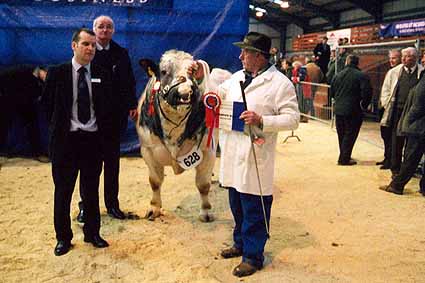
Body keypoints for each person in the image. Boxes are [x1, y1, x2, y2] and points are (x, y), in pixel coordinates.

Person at [217, 32, 299, 277]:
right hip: (233, 151)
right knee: (236, 202)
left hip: (256, 153)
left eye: (246, 52)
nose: (241, 56)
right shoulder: (237, 77)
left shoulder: (280, 83)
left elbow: (293, 118)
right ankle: (240, 242)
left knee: (255, 205)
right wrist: (200, 75)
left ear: (260, 56)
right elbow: (217, 93)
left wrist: (262, 119)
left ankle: (253, 256)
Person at [43, 28, 113, 256]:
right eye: (86, 44)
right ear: (74, 46)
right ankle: (63, 238)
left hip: (92, 141)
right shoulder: (57, 73)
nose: (91, 48)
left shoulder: (102, 72)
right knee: (63, 192)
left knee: (91, 191)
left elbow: (106, 109)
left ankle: (93, 233)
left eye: (93, 45)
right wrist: (58, 132)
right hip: (66, 142)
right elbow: (46, 107)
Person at [77, 15, 138, 222]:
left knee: (112, 165)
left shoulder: (121, 54)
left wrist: (132, 105)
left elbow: (129, 81)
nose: (104, 30)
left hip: (114, 120)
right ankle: (85, 206)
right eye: (100, 27)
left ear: (113, 31)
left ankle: (112, 204)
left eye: (108, 27)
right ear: (94, 29)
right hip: (90, 122)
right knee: (88, 167)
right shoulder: (87, 54)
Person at [380, 47, 424, 177]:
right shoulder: (394, 72)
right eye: (403, 56)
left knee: (411, 144)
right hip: (397, 111)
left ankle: (408, 169)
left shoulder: (422, 72)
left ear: (415, 58)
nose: (404, 59)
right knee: (396, 141)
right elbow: (386, 90)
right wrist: (386, 104)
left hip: (414, 113)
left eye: (408, 56)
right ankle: (395, 169)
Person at [379, 72, 425, 195]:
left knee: (410, 158)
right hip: (420, 125)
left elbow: (418, 105)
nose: (423, 60)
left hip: (419, 126)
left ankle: (397, 186)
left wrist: (407, 121)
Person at [0, 65, 49, 162]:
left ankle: (38, 153)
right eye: (46, 74)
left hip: (26, 104)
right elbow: (4, 78)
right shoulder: (24, 70)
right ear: (41, 71)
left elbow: (40, 96)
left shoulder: (43, 83)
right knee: (3, 127)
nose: (46, 77)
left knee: (33, 127)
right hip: (8, 101)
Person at [330, 55, 372, 165]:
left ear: (346, 63)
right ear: (357, 63)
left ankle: (344, 155)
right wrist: (364, 105)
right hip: (354, 110)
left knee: (342, 134)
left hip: (339, 110)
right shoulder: (362, 76)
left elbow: (332, 93)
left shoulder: (337, 75)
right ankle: (344, 159)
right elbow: (367, 93)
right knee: (350, 134)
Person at [376, 49, 401, 169]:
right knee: (385, 136)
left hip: (391, 110)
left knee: (391, 137)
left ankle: (390, 161)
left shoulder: (399, 72)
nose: (391, 60)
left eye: (394, 58)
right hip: (385, 108)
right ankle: (387, 158)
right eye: (390, 58)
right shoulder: (391, 71)